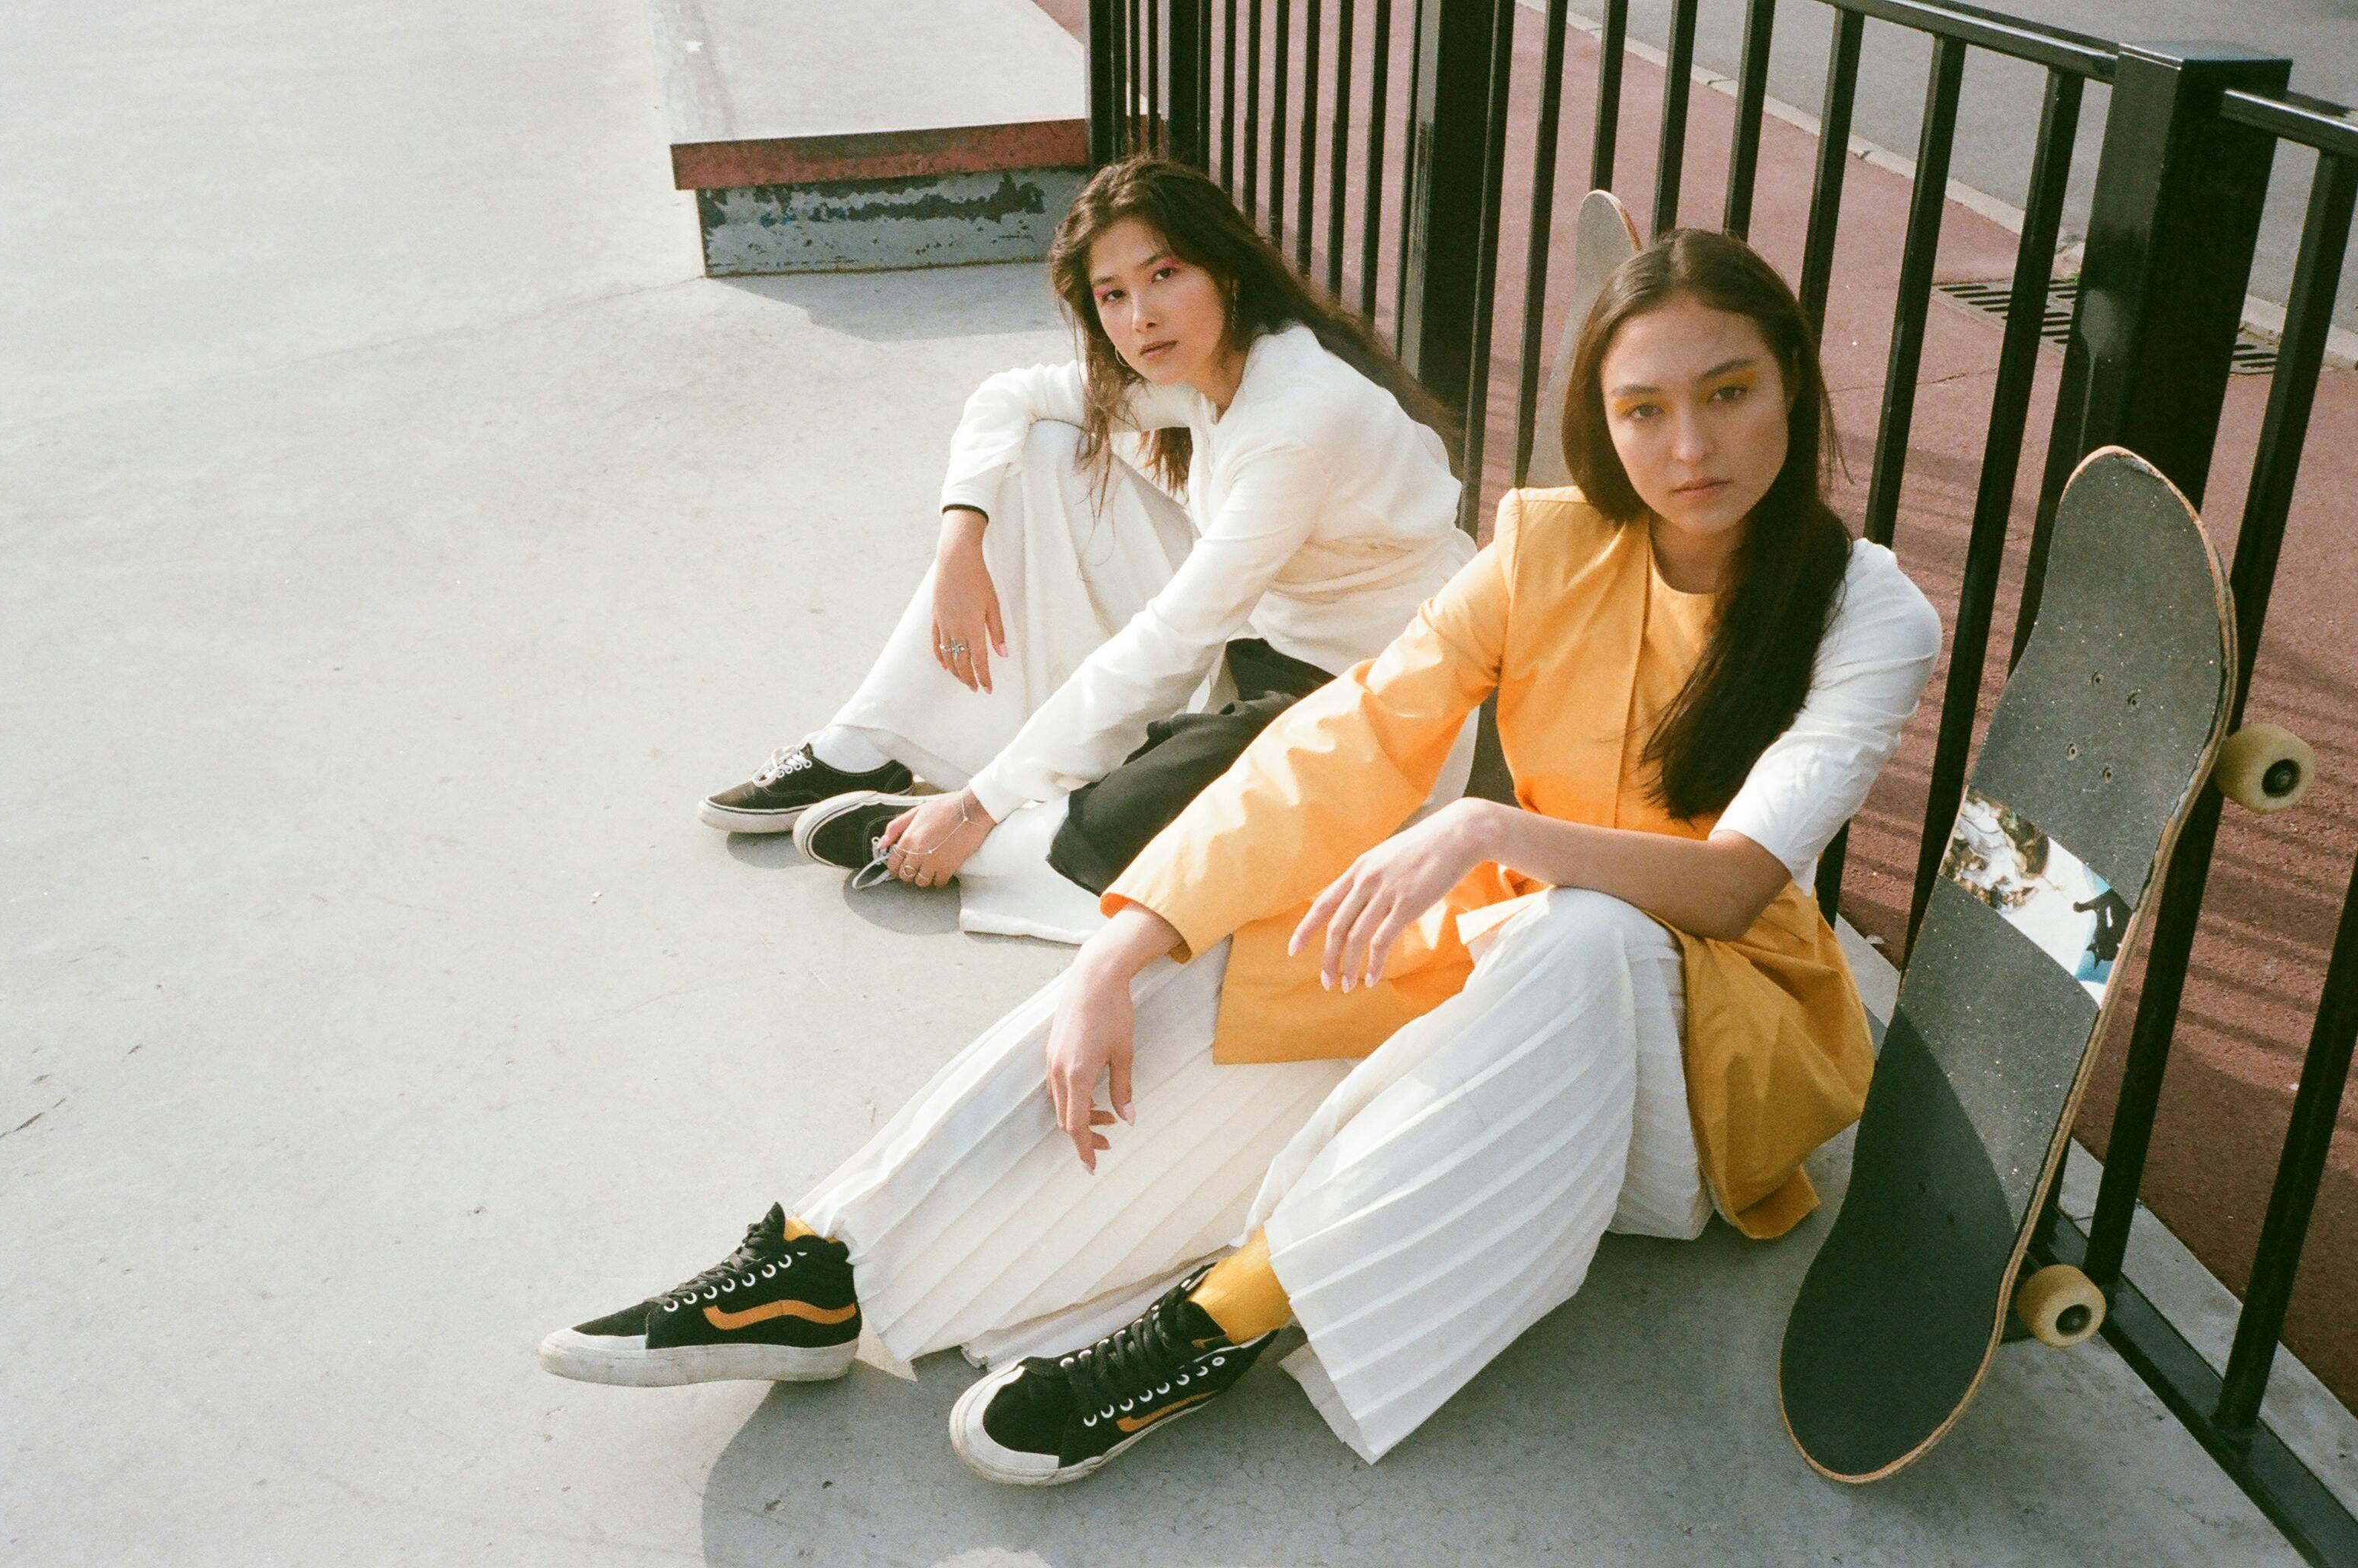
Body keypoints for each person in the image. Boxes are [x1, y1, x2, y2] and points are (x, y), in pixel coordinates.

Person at [541, 228, 1944, 1484]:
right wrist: (1128, 935)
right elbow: (1341, 736)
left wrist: (1484, 825)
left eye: (1728, 392)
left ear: (1792, 390)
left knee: (1584, 930)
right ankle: (825, 1263)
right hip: (1499, 990)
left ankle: (1217, 1323)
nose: (1687, 444)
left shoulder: (1863, 608)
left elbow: (1733, 883)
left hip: (1692, 1074)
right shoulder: (1546, 547)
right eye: (1642, 408)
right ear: (1600, 421)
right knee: (1221, 950)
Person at [697, 155, 1474, 944]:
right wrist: (960, 541)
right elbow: (1011, 396)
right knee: (1041, 451)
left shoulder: (1297, 418)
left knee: (1193, 802)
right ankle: (873, 746)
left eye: (1164, 273)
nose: (1140, 315)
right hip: (1260, 633)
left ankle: (986, 832)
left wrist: (979, 805)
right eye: (1112, 294)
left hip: (1369, 693)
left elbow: (1173, 640)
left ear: (1226, 271)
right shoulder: (1211, 368)